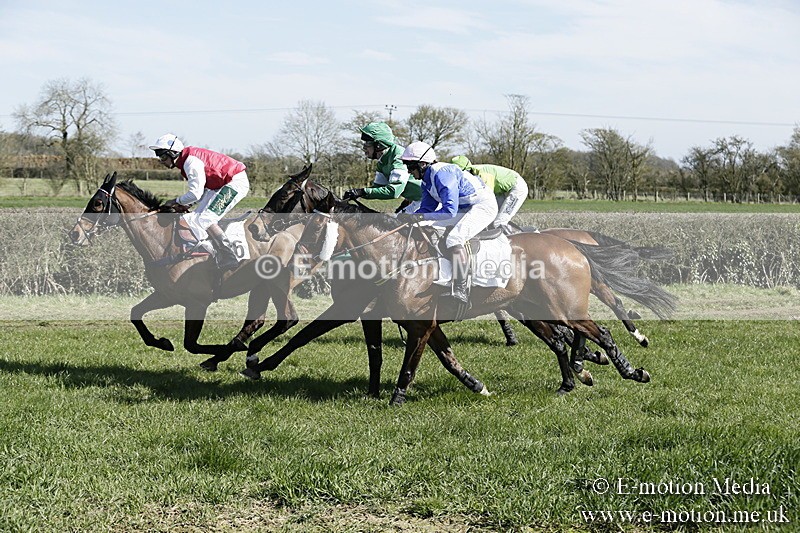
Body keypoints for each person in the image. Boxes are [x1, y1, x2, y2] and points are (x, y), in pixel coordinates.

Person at [400, 141, 498, 305]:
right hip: (464, 207)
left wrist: (422, 217)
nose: (409, 172)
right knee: (424, 226)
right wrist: (410, 218)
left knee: (454, 239)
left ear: (423, 163)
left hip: (482, 206)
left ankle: (461, 288)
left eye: (411, 166)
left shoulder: (442, 174)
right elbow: (427, 208)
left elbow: (449, 211)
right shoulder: (426, 179)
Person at [149, 133, 249, 270]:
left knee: (206, 219)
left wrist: (175, 201)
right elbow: (200, 192)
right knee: (195, 218)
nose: (161, 161)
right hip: (219, 186)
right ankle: (210, 251)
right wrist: (184, 204)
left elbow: (195, 194)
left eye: (163, 157)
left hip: (234, 182)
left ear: (173, 153)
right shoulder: (186, 161)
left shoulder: (191, 162)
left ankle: (229, 256)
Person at [343, 122, 422, 213]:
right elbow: (378, 188)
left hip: (430, 201)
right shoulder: (382, 161)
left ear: (379, 145)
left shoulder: (399, 158)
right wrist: (357, 193)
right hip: (416, 201)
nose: (364, 147)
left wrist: (362, 192)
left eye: (368, 143)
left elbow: (394, 192)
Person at [451, 156, 529, 234]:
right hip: (500, 191)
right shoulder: (470, 173)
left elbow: (487, 201)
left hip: (517, 188)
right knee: (491, 221)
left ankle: (518, 240)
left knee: (499, 222)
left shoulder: (484, 176)